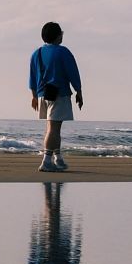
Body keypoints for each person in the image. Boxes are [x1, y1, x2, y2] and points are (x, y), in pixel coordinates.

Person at [28, 21, 83, 172]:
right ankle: (46, 160)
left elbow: (32, 77)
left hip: (42, 94)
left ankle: (58, 158)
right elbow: (73, 73)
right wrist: (79, 91)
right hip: (59, 93)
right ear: (58, 36)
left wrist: (34, 96)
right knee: (54, 128)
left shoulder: (36, 53)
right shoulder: (63, 52)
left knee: (51, 127)